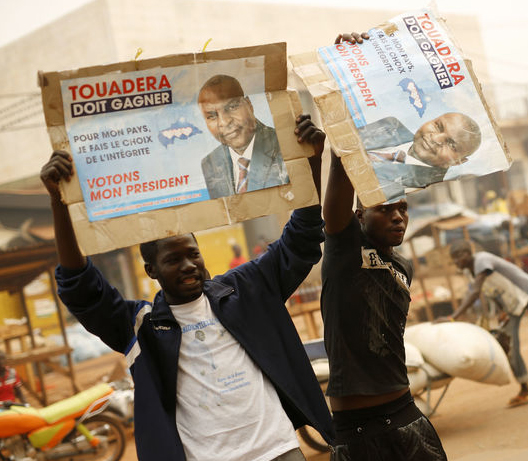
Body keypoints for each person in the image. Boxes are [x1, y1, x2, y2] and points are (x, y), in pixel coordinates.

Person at [40, 114, 332, 461]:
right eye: (173, 259)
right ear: (151, 270)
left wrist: (311, 162)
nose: (189, 265)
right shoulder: (141, 326)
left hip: (280, 449)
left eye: (193, 254)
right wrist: (58, 203)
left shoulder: (244, 290)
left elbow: (301, 239)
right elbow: (80, 288)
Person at [319, 31, 447, 461]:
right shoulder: (344, 250)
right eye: (384, 208)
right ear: (359, 216)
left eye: (403, 208)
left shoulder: (404, 267)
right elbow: (338, 187)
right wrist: (345, 81)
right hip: (356, 432)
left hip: (407, 415)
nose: (397, 216)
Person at [443, 239, 528, 407]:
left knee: (510, 345)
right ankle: (525, 386)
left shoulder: (482, 260)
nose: (457, 261)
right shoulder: (469, 272)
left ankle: (525, 389)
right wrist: (502, 310)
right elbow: (491, 291)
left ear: (469, 253)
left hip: (522, 293)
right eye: (454, 258)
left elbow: (475, 292)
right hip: (512, 304)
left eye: (460, 255)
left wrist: (453, 317)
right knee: (507, 343)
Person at [199, 74, 289, 199]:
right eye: (212, 116)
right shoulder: (210, 163)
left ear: (249, 105)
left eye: (232, 107)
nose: (224, 122)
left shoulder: (284, 144)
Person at [362, 112, 482, 169]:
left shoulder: (425, 190)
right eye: (438, 126)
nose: (435, 138)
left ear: (457, 162)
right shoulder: (391, 125)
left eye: (451, 145)